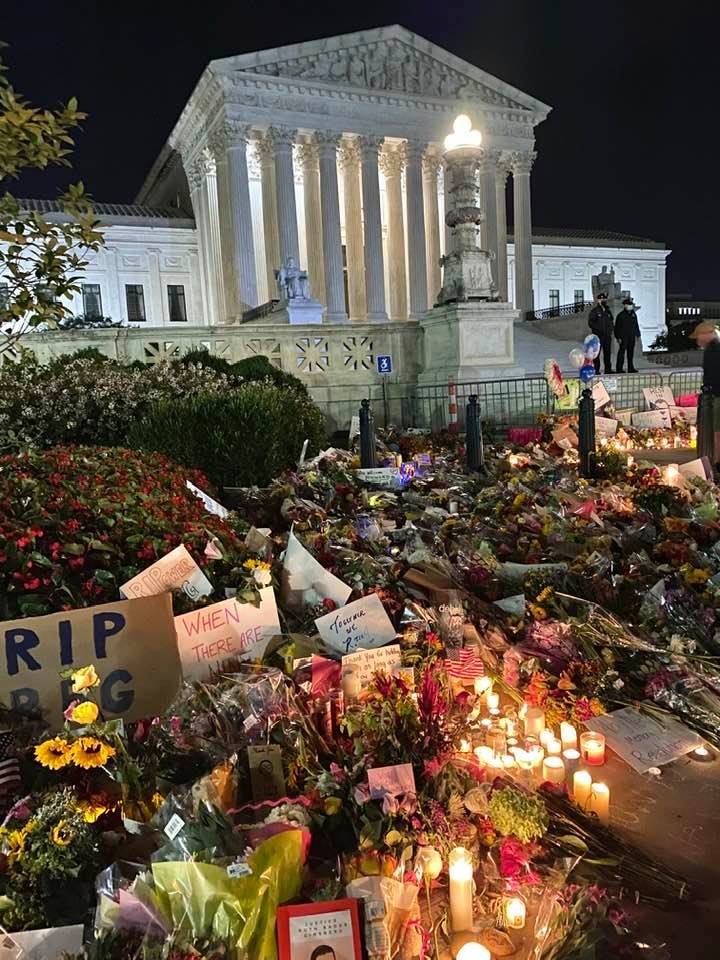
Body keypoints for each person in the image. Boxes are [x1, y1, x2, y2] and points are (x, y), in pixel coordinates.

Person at [690, 320, 720, 463]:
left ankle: (716, 461)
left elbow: (713, 373)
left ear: (708, 334)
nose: (698, 340)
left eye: (699, 336)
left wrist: (709, 389)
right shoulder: (713, 348)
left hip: (716, 394)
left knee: (717, 430)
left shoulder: (714, 349)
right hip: (714, 393)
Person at [588, 292, 614, 374]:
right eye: (601, 299)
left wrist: (610, 330)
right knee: (597, 354)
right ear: (598, 300)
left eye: (604, 299)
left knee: (607, 353)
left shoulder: (608, 311)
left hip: (607, 336)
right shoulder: (595, 311)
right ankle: (596, 370)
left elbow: (611, 321)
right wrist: (599, 330)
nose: (603, 300)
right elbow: (591, 323)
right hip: (598, 336)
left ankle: (608, 369)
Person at [614, 297, 641, 373]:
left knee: (630, 352)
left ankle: (630, 368)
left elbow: (636, 325)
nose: (630, 306)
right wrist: (618, 337)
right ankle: (619, 369)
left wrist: (638, 334)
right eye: (628, 304)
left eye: (630, 304)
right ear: (625, 305)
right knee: (622, 353)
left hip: (631, 336)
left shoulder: (633, 314)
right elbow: (617, 327)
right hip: (623, 337)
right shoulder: (621, 315)